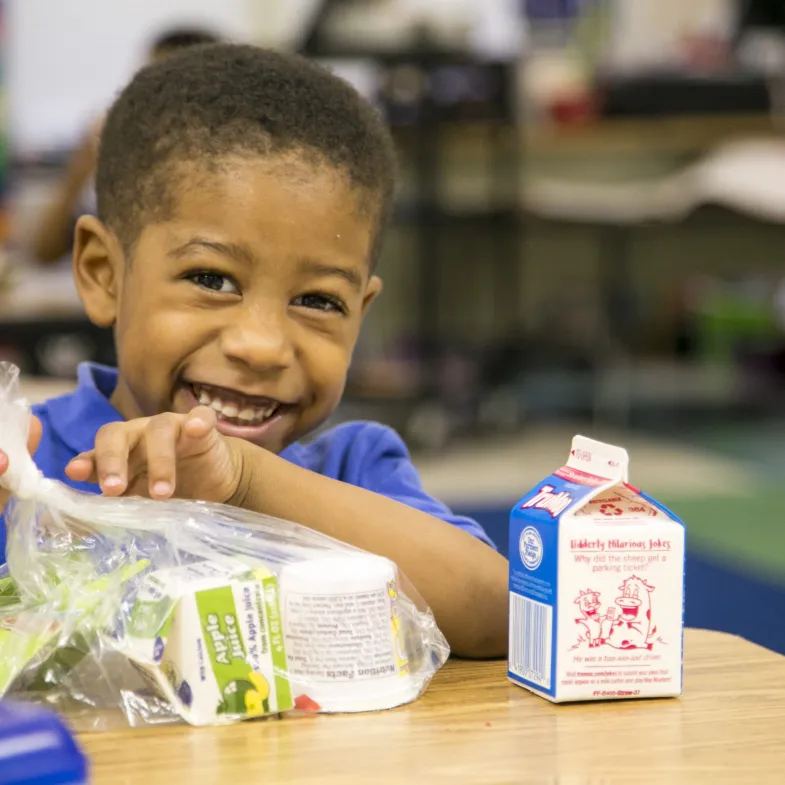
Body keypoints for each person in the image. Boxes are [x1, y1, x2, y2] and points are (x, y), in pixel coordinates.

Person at [1, 45, 508, 658]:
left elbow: (502, 613)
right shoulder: (29, 471)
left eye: (319, 301)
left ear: (361, 315)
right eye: (212, 280)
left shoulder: (352, 470)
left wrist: (246, 482)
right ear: (104, 273)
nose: (262, 346)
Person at [31, 27, 221, 264]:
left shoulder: (227, 178)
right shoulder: (125, 165)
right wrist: (81, 169)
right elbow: (43, 252)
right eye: (148, 84)